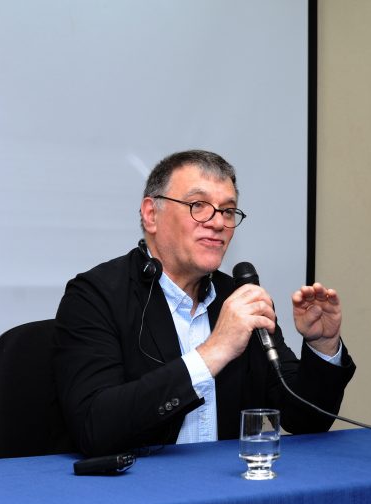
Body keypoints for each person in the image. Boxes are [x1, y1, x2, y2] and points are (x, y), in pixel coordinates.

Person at [54, 150, 355, 456]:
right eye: (198, 205)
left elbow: (305, 418)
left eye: (227, 211)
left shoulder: (237, 297)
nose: (218, 223)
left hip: (227, 486)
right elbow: (94, 428)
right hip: (138, 493)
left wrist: (323, 346)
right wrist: (213, 352)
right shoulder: (95, 296)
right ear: (151, 214)